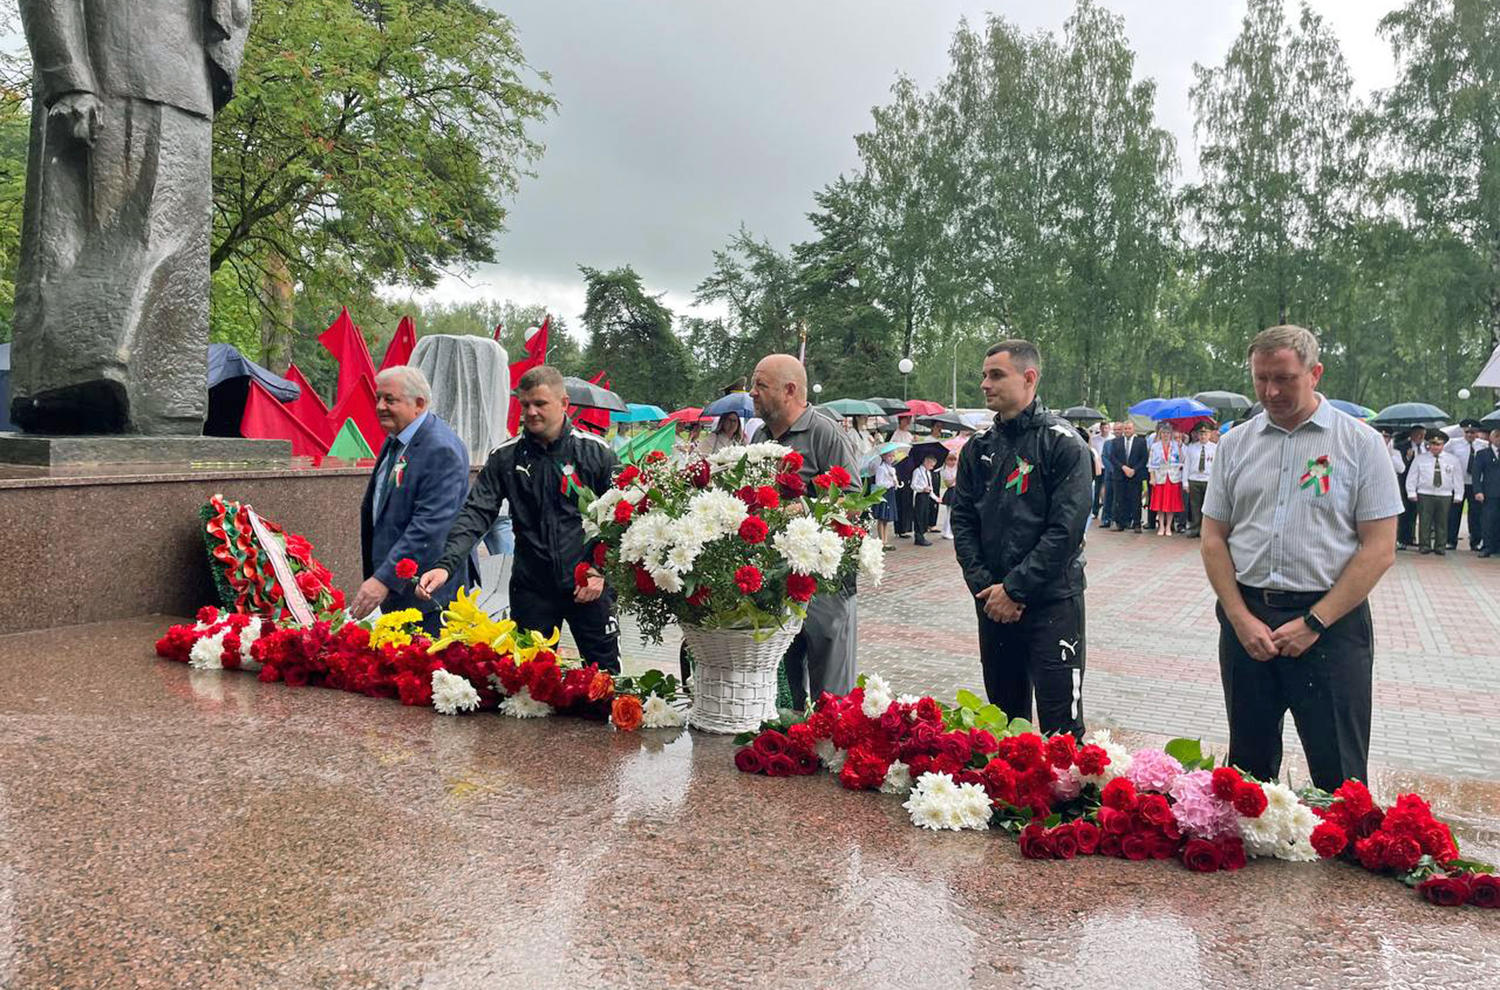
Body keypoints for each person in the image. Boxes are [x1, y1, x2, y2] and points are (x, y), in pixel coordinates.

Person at [1201, 325, 1401, 791]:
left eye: (1285, 378)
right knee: (1247, 774)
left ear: (1315, 373)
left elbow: (1379, 548)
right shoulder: (1236, 444)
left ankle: (1344, 856)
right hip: (1249, 619)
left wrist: (1314, 622)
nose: (1271, 391)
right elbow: (1214, 538)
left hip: (1332, 625)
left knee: (1339, 775)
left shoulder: (1360, 444)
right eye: (1261, 378)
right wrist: (1239, 618)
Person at [418, 365, 623, 671]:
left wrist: (599, 568)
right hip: (532, 590)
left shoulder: (596, 453)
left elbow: (624, 518)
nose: (531, 412)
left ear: (564, 403)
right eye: (525, 404)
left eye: (540, 403)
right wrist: (446, 564)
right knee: (530, 685)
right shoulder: (505, 456)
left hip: (588, 587)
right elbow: (476, 512)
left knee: (605, 683)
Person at [951, 339, 1092, 737]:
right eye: (983, 375)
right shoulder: (978, 448)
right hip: (992, 605)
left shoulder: (1064, 444)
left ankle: (1064, 801)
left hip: (1052, 604)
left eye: (996, 375)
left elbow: (1065, 531)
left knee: (1061, 731)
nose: (984, 384)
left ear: (1029, 378)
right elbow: (962, 521)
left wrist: (1015, 589)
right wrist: (986, 588)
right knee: (1003, 724)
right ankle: (1007, 798)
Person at [749, 354, 862, 708]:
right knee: (782, 687)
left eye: (760, 385)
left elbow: (854, 502)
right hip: (775, 580)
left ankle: (832, 750)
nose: (751, 392)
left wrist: (803, 508)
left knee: (831, 692)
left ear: (789, 390)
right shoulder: (760, 436)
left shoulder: (826, 433)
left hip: (824, 584)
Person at [354, 366, 472, 635]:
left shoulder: (441, 448)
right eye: (378, 398)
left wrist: (383, 579)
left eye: (390, 400)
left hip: (427, 596)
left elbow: (429, 525)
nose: (381, 406)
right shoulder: (398, 437)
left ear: (419, 404)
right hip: (398, 590)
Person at [1405, 432, 1463, 555]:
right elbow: (1412, 476)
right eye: (1433, 444)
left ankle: (1440, 546)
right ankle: (1424, 545)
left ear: (1443, 445)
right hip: (1425, 493)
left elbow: (1457, 478)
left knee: (1442, 521)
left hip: (1445, 494)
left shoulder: (1452, 460)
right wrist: (1411, 492)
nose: (1435, 447)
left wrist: (1458, 494)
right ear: (1429, 445)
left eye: (1438, 444)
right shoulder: (1420, 459)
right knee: (1425, 521)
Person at [1445, 420, 1485, 551]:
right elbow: (1444, 457)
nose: (1469, 435)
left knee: (1475, 514)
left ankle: (1475, 541)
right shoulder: (1453, 444)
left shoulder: (1483, 445)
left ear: (1477, 432)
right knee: (1454, 513)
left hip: (1475, 484)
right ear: (1463, 432)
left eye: (1472, 432)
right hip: (1458, 483)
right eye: (1467, 432)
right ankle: (1451, 540)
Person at [1108, 421, 1147, 532]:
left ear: (1133, 429)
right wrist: (1123, 467)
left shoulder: (1141, 442)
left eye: (1129, 428)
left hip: (1135, 476)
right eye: (1125, 429)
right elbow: (1112, 457)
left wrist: (1134, 470)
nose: (1127, 431)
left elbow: (1144, 458)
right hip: (1120, 475)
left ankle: (1137, 524)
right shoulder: (1116, 442)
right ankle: (1120, 523)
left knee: (1136, 500)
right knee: (1119, 499)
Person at [1147, 422, 1185, 536]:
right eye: (1163, 433)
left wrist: (1180, 448)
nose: (1165, 435)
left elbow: (1181, 461)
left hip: (1173, 477)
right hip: (1160, 478)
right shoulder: (1155, 446)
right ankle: (1161, 526)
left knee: (1171, 504)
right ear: (1160, 433)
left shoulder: (1175, 445)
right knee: (1160, 504)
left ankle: (1168, 526)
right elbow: (1151, 464)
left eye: (1168, 433)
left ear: (1171, 434)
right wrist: (1152, 478)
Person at [1393, 425, 1426, 549]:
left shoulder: (1427, 447)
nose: (1420, 437)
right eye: (1418, 434)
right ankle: (1403, 538)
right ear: (1412, 435)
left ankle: (1412, 537)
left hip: (1422, 483)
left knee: (1416, 512)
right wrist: (1407, 458)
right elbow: (1401, 467)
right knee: (1405, 511)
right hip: (1405, 482)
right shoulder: (1402, 446)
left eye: (1423, 434)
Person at [1182, 421, 1217, 537]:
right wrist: (1185, 482)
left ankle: (1205, 530)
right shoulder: (1192, 448)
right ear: (1197, 435)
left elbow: (1217, 466)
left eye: (1205, 434)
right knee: (1194, 506)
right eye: (1201, 434)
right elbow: (1187, 465)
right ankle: (1194, 528)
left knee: (1206, 507)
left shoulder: (1215, 448)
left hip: (1208, 480)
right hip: (1194, 479)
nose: (1203, 436)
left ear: (1210, 434)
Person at [1473, 426, 1500, 557]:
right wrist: (1478, 491)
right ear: (1491, 438)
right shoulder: (1483, 454)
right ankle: (1487, 547)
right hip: (1489, 493)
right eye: (1497, 436)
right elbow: (1476, 474)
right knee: (1488, 521)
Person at [891, 414, 916, 538]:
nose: (907, 422)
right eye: (905, 420)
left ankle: (906, 527)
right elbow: (895, 452)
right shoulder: (896, 435)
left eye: (909, 420)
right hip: (900, 467)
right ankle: (899, 528)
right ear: (900, 421)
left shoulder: (909, 435)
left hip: (909, 469)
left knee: (908, 497)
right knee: (901, 497)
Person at [872, 450, 899, 549]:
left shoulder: (892, 469)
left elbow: (894, 481)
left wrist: (895, 483)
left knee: (887, 518)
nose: (891, 458)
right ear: (883, 457)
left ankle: (885, 540)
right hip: (883, 493)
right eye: (889, 456)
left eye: (893, 456)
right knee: (881, 517)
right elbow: (879, 483)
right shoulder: (881, 468)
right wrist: (890, 483)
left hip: (890, 493)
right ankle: (881, 540)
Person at [910, 454, 939, 547]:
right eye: (931, 465)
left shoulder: (928, 473)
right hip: (920, 495)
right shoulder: (917, 471)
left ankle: (922, 534)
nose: (932, 467)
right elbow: (913, 485)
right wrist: (922, 488)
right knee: (919, 515)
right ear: (926, 462)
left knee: (925, 515)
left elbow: (931, 488)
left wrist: (936, 498)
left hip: (927, 496)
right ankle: (918, 536)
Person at [1090, 423, 1112, 521]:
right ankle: (1095, 511)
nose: (1104, 429)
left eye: (1106, 428)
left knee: (1106, 489)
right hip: (1098, 467)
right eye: (1102, 428)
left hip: (1108, 466)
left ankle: (1106, 510)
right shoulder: (1095, 439)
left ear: (1109, 428)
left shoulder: (1112, 438)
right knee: (1097, 489)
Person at [937, 451, 960, 540]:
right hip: (951, 491)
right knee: (949, 513)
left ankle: (950, 531)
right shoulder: (945, 470)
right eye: (950, 460)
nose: (952, 462)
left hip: (956, 490)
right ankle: (946, 532)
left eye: (954, 460)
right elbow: (948, 484)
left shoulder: (956, 468)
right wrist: (955, 478)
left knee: (954, 513)